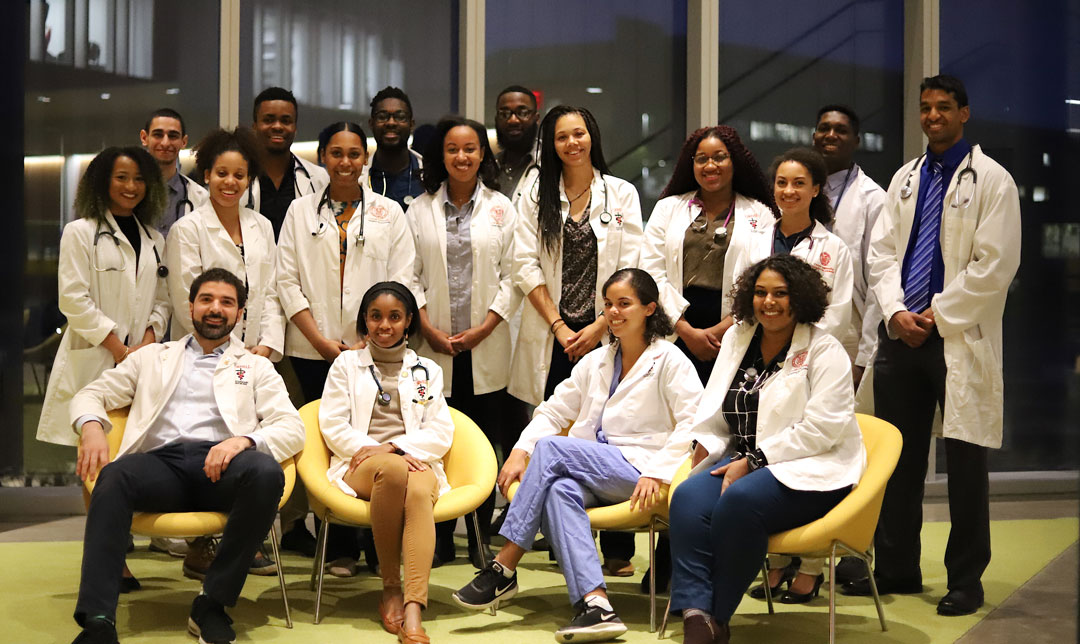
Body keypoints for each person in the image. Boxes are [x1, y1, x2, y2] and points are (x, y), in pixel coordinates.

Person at [842, 74, 1021, 617]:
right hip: (903, 337)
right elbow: (882, 256)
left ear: (964, 114)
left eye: (944, 107)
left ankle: (966, 579)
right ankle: (897, 564)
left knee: (966, 464)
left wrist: (936, 314)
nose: (933, 116)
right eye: (926, 108)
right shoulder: (904, 179)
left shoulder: (994, 181)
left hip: (956, 337)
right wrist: (897, 311)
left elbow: (996, 266)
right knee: (897, 459)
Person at [453, 268, 700, 644]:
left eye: (624, 304)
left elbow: (692, 423)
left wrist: (661, 471)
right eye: (608, 305)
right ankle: (597, 604)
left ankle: (503, 567)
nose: (613, 313)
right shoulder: (596, 361)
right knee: (557, 491)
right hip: (595, 470)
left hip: (642, 472)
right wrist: (520, 448)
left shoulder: (669, 360)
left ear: (650, 309)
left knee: (552, 448)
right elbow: (553, 411)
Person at [67, 268, 305, 644]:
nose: (215, 309)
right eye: (207, 300)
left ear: (240, 314)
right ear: (190, 306)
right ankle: (98, 620)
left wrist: (242, 441)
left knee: (265, 472)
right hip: (160, 466)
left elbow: (292, 428)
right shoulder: (153, 357)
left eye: (227, 302)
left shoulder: (256, 366)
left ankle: (211, 604)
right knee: (113, 477)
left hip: (223, 467)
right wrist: (92, 426)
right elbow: (90, 394)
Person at [667, 255, 866, 644]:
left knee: (740, 503)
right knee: (688, 498)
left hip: (810, 467)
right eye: (760, 293)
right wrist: (705, 445)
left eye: (780, 293)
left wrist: (755, 460)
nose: (769, 302)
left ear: (801, 298)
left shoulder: (826, 352)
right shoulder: (739, 340)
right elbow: (715, 408)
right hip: (743, 460)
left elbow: (823, 429)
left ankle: (716, 618)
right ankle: (696, 614)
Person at [508, 105, 644, 575]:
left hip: (608, 330)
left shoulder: (621, 193)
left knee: (614, 428)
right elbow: (523, 263)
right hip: (553, 334)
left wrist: (600, 326)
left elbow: (632, 267)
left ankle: (619, 550)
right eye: (562, 137)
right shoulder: (534, 192)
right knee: (556, 422)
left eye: (579, 133)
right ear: (551, 145)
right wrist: (559, 325)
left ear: (592, 137)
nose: (572, 143)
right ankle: (563, 537)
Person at [276, 121, 416, 574]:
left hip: (373, 347)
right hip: (309, 346)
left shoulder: (389, 213)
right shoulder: (299, 212)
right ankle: (337, 543)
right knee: (328, 442)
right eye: (335, 153)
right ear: (321, 157)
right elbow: (286, 280)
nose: (345, 162)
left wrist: (366, 339)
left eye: (354, 154)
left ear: (365, 159)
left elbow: (400, 278)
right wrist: (319, 339)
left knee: (374, 434)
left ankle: (378, 546)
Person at [410, 116, 520, 569]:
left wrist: (485, 327)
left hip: (486, 345)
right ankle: (436, 538)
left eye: (470, 149)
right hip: (432, 346)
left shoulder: (502, 209)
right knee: (434, 442)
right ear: (442, 156)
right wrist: (427, 327)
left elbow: (514, 277)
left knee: (482, 445)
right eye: (453, 149)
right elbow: (406, 274)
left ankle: (477, 537)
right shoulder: (418, 209)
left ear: (482, 155)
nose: (461, 157)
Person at [319, 281, 453, 644]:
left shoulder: (427, 370)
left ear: (409, 320)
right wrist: (377, 450)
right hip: (358, 463)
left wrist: (395, 447)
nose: (385, 325)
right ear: (365, 319)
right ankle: (391, 586)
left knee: (421, 487)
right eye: (376, 316)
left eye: (395, 317)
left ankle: (413, 606)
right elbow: (332, 423)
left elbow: (441, 430)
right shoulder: (346, 364)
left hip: (411, 459)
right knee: (395, 471)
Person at [37, 146, 169, 450]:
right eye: (121, 177)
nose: (131, 186)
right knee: (93, 451)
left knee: (132, 449)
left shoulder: (155, 239)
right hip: (97, 356)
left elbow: (163, 301)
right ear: (103, 182)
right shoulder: (80, 232)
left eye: (138, 179)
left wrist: (146, 345)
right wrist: (119, 349)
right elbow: (73, 300)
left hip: (140, 359)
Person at [640, 125, 777, 385]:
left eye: (719, 157)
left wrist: (722, 328)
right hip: (675, 328)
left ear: (734, 161)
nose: (710, 165)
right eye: (701, 159)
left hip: (734, 327)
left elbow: (762, 277)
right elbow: (651, 272)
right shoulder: (668, 208)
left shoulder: (760, 213)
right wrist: (685, 330)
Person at [166, 127, 284, 360]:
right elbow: (185, 301)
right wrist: (228, 349)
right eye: (222, 173)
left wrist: (268, 344)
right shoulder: (187, 229)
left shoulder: (262, 226)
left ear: (249, 180)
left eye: (239, 175)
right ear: (208, 175)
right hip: (202, 352)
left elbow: (271, 292)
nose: (230, 182)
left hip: (254, 354)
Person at [732, 147, 854, 342]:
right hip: (758, 346)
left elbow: (838, 316)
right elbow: (739, 302)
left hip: (811, 352)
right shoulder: (754, 242)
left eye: (798, 183)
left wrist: (797, 346)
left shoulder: (835, 248)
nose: (788, 191)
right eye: (781, 183)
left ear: (815, 189)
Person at [812, 104, 886, 389]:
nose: (831, 135)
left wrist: (863, 359)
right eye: (824, 128)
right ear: (814, 136)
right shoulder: (799, 192)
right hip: (800, 321)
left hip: (850, 328)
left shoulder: (873, 199)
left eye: (841, 130)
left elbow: (879, 280)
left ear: (856, 141)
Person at [246, 87, 330, 238]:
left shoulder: (317, 177)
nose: (277, 126)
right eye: (268, 120)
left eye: (286, 121)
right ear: (254, 127)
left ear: (295, 128)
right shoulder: (239, 176)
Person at [139, 108, 208, 237]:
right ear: (144, 138)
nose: (165, 143)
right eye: (158, 135)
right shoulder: (130, 192)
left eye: (173, 136)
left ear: (184, 142)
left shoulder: (200, 197)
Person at [367, 86, 424, 212]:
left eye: (400, 116)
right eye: (382, 117)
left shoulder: (429, 174)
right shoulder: (360, 176)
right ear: (371, 124)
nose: (391, 123)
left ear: (411, 124)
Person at [493, 85, 540, 207]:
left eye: (522, 113)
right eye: (504, 114)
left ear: (536, 118)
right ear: (496, 119)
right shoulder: (490, 166)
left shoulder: (552, 163)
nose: (513, 120)